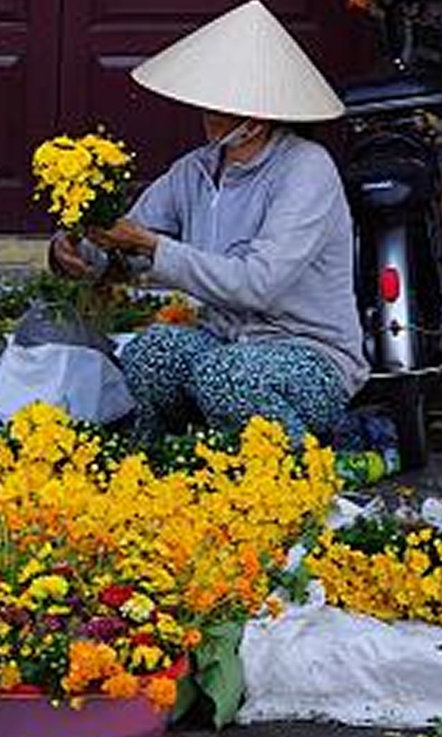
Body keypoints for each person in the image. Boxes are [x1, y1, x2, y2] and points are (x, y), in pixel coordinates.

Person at [51, 0, 367, 444]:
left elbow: (258, 283)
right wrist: (77, 249)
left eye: (219, 107)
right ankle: (161, 471)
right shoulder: (194, 171)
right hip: (226, 343)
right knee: (150, 353)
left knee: (226, 376)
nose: (206, 117)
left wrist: (151, 246)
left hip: (309, 355)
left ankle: (297, 473)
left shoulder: (306, 170)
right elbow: (128, 244)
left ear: (256, 121)